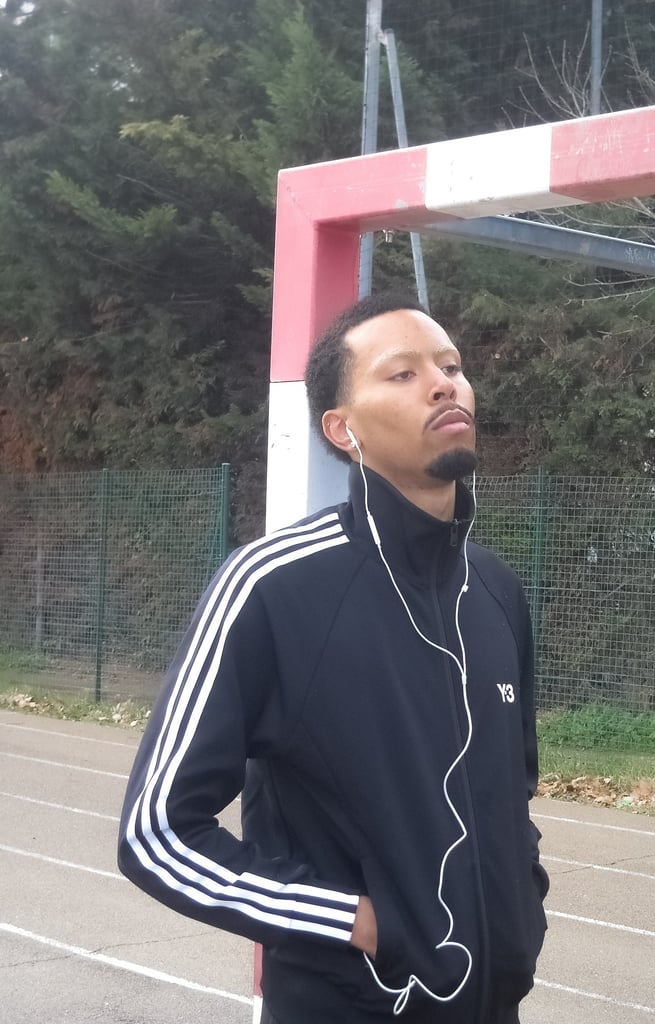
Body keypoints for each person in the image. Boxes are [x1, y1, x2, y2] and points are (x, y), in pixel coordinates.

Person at [118, 292, 548, 1024]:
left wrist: (522, 910)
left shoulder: (496, 590)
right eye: (403, 374)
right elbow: (155, 833)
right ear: (343, 429)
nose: (443, 385)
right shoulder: (273, 586)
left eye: (451, 366)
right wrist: (355, 922)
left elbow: (515, 793)